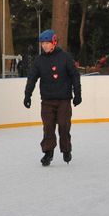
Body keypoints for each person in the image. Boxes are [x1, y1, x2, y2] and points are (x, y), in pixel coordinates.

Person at [23, 29, 81, 166]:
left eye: (47, 43)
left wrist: (78, 94)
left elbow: (74, 76)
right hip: (47, 100)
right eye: (42, 43)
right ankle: (48, 152)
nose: (44, 45)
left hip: (63, 100)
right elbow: (32, 78)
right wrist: (27, 95)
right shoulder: (39, 61)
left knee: (63, 125)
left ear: (54, 42)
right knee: (48, 127)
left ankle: (66, 150)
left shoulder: (65, 57)